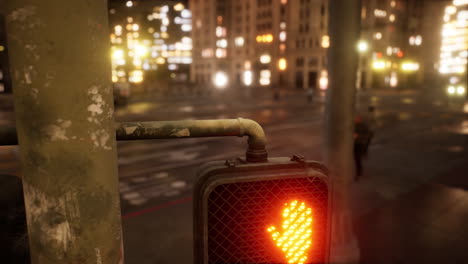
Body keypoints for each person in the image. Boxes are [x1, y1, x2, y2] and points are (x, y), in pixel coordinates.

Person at [353, 106, 375, 180]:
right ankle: (358, 172)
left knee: (358, 158)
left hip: (360, 143)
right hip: (355, 144)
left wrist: (358, 136)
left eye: (356, 118)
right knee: (356, 158)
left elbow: (368, 134)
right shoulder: (353, 125)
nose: (355, 119)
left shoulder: (363, 125)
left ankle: (358, 174)